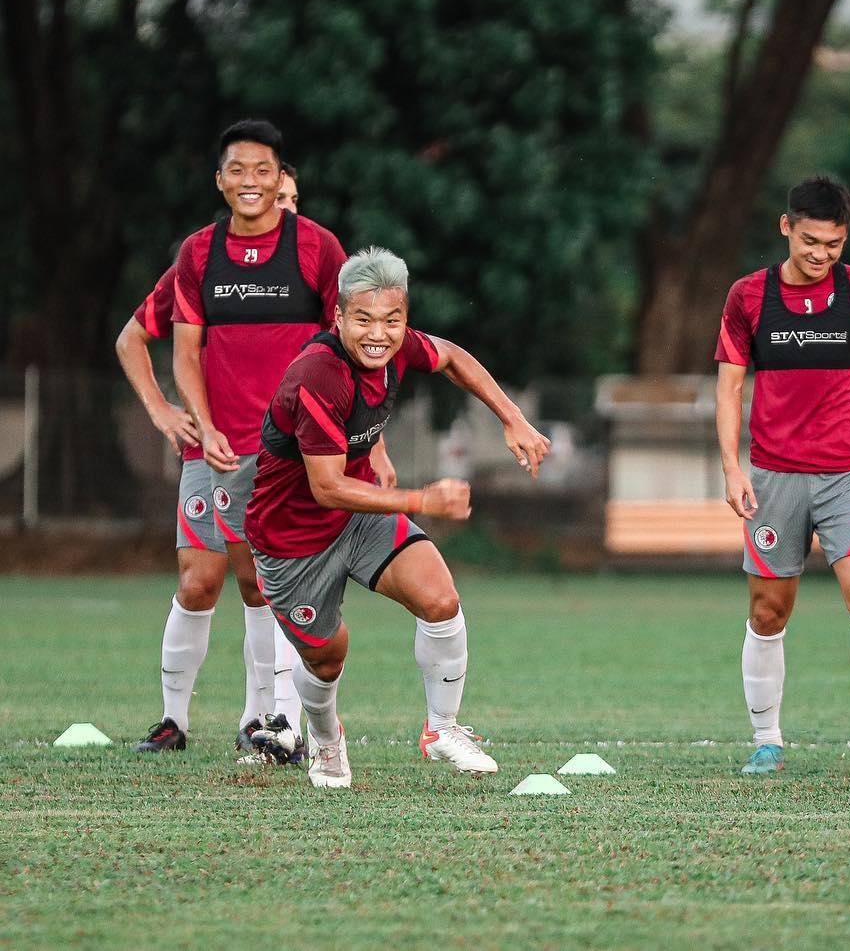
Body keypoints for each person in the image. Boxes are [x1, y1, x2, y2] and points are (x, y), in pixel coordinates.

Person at [245, 246, 550, 789]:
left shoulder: (396, 346)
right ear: (338, 317)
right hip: (291, 541)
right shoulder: (318, 375)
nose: (378, 334)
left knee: (441, 600)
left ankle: (442, 729)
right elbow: (326, 487)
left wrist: (513, 419)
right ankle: (326, 740)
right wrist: (422, 501)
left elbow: (451, 357)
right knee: (327, 659)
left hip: (358, 518)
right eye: (363, 319)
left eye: (392, 320)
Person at [119, 161, 336, 752]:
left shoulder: (314, 266)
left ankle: (262, 720)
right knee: (198, 581)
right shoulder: (205, 266)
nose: (279, 208)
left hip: (288, 456)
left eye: (289, 199)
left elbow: (351, 359)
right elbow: (131, 338)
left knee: (264, 585)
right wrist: (163, 411)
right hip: (213, 450)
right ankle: (173, 721)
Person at [714, 176, 850, 776]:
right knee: (768, 613)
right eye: (810, 241)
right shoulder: (748, 296)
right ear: (786, 228)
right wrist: (732, 466)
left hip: (848, 474)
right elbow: (729, 388)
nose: (821, 254)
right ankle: (767, 741)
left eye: (833, 244)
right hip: (773, 476)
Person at [167, 119, 348, 753]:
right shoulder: (197, 253)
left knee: (289, 582)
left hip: (300, 452)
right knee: (248, 583)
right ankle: (240, 719)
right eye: (238, 170)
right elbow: (183, 352)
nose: (251, 181)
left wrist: (363, 439)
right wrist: (203, 424)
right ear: (220, 180)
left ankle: (284, 724)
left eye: (263, 170)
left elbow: (352, 341)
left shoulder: (319, 247)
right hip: (227, 451)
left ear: (280, 179)